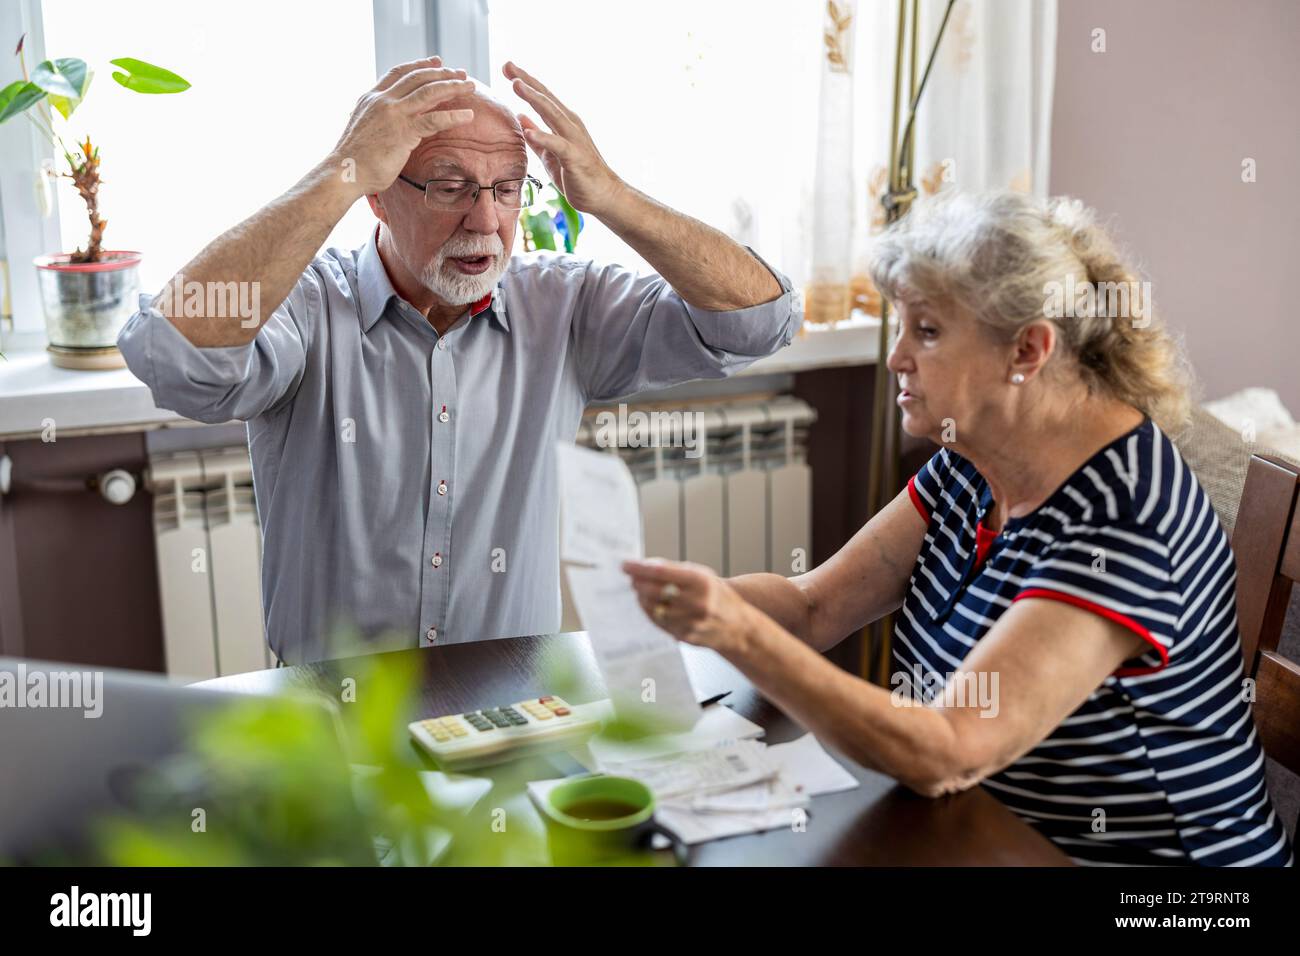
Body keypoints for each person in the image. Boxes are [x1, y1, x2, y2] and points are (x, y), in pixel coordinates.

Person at [623, 190, 1293, 866]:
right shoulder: (973, 461)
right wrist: (669, 600)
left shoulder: (1126, 515)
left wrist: (736, 633)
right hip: (986, 838)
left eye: (930, 331)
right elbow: (812, 606)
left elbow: (948, 751)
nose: (897, 359)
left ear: (1027, 350)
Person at [119, 57, 799, 663]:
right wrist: (340, 172)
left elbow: (760, 324)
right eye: (450, 187)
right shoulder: (309, 305)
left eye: (507, 189)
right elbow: (172, 358)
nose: (485, 221)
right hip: (333, 716)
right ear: (379, 197)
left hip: (511, 704)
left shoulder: (563, 304)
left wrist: (613, 195)